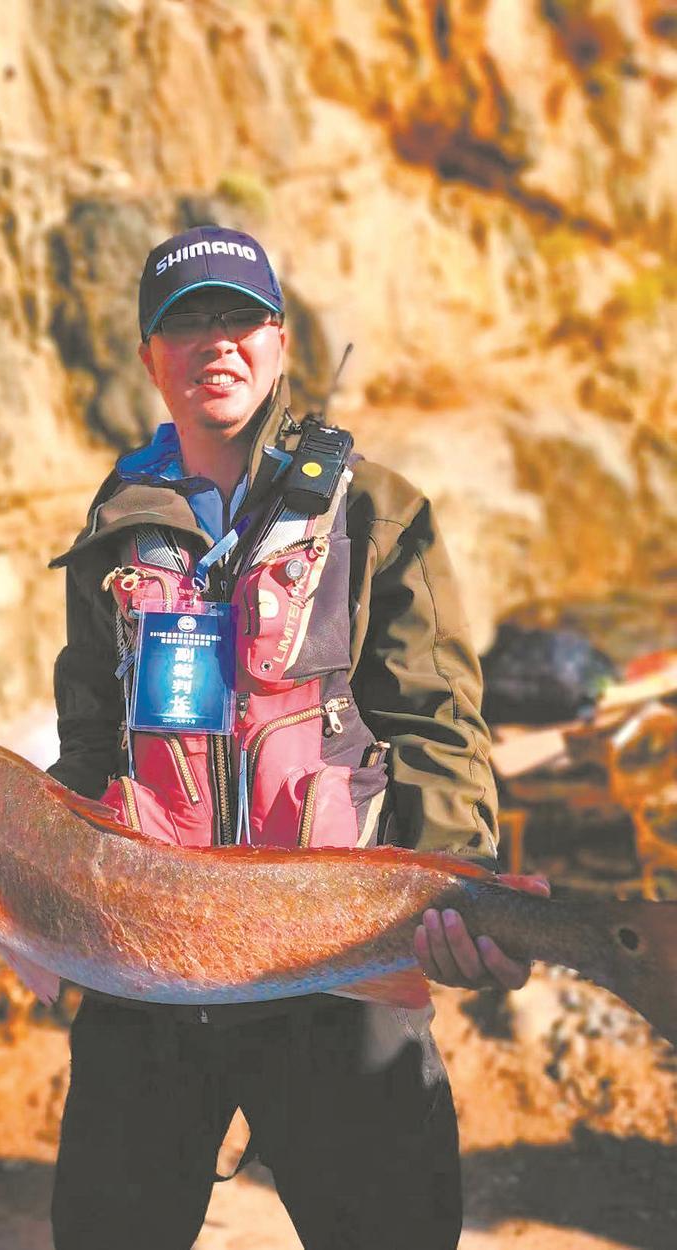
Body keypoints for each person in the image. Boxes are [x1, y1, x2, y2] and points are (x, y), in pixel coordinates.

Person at [46, 224, 547, 1250]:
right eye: (183, 324)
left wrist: (459, 881)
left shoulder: (377, 511)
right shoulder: (110, 533)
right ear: (149, 358)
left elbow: (434, 722)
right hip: (148, 971)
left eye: (237, 317)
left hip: (337, 966)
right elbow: (89, 752)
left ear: (279, 341)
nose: (212, 343)